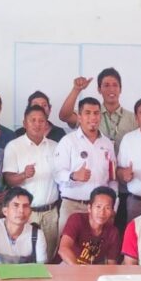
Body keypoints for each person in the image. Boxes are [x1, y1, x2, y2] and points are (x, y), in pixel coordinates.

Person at [53, 97, 118, 234]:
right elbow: (57, 174)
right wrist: (73, 176)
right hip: (73, 206)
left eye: (96, 113)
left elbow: (112, 178)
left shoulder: (107, 143)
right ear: (79, 117)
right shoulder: (68, 141)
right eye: (87, 113)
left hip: (100, 210)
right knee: (67, 245)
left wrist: (114, 206)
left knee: (98, 246)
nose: (93, 117)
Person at [4, 105, 60, 251]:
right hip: (25, 213)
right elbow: (8, 179)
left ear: (46, 124)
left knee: (48, 254)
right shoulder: (14, 146)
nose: (37, 124)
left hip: (50, 213)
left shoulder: (55, 147)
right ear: (24, 123)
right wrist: (23, 175)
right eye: (32, 120)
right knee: (24, 254)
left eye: (41, 121)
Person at [58, 67, 137, 152]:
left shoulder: (133, 118)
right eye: (106, 85)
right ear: (99, 89)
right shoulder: (90, 115)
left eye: (115, 85)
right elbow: (64, 116)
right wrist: (76, 89)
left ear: (120, 89)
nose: (111, 89)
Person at [0, 187, 48, 264]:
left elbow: (42, 267)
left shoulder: (37, 235)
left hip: (22, 274)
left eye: (25, 206)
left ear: (30, 212)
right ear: (5, 211)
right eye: (16, 205)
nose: (21, 211)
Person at [57, 186, 121, 265]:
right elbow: (63, 249)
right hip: (70, 264)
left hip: (95, 268)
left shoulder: (113, 232)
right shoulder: (77, 219)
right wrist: (78, 270)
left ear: (112, 212)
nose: (102, 213)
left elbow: (111, 263)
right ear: (89, 208)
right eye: (98, 207)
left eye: (107, 208)